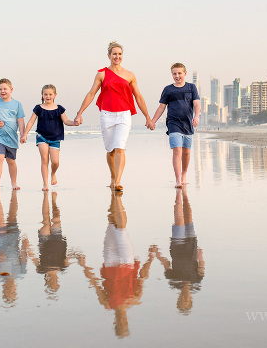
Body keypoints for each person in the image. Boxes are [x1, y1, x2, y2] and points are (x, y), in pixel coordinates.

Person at [69, 190, 155, 338]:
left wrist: (84, 265)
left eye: (120, 326)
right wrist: (151, 258)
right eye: (124, 325)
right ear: (127, 322)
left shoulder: (107, 304)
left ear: (115, 324)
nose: (122, 322)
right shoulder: (134, 299)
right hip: (127, 262)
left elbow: (95, 283)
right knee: (121, 229)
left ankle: (113, 192)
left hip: (109, 261)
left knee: (111, 223)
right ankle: (117, 197)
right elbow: (142, 277)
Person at [74, 41, 155, 191]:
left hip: (124, 115)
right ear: (109, 55)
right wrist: (79, 113)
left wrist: (148, 117)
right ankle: (112, 176)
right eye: (114, 54)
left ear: (122, 56)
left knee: (120, 147)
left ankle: (118, 181)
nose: (117, 57)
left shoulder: (130, 75)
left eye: (119, 54)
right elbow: (91, 94)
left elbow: (138, 97)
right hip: (107, 115)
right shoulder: (102, 74)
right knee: (110, 150)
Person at [150, 187, 205, 314]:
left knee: (179, 220)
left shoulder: (174, 282)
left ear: (178, 298)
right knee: (189, 217)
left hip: (177, 246)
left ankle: (178, 196)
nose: (184, 297)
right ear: (191, 299)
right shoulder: (196, 282)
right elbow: (201, 267)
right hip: (191, 246)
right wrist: (200, 256)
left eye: (181, 300)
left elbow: (167, 265)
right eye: (186, 300)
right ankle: (185, 195)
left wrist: (157, 253)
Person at [150, 63, 200, 187]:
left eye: (179, 73)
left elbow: (197, 104)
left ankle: (184, 174)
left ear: (185, 73)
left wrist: (196, 116)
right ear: (172, 74)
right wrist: (153, 121)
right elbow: (161, 107)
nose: (177, 76)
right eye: (174, 74)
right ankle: (178, 180)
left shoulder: (191, 87)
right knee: (177, 150)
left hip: (188, 123)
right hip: (173, 123)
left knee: (186, 152)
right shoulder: (168, 89)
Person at [20, 84, 77, 190]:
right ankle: (45, 183)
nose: (48, 96)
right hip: (41, 136)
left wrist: (74, 123)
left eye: (50, 94)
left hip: (55, 137)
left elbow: (66, 121)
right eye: (45, 94)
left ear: (55, 95)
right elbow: (31, 121)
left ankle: (53, 173)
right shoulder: (38, 108)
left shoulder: (59, 109)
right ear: (42, 95)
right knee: (44, 160)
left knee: (55, 162)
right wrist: (25, 134)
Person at [0, 78, 26, 191]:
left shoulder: (17, 104)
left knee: (11, 161)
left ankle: (14, 183)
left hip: (11, 137)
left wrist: (23, 134)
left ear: (11, 89)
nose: (2, 91)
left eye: (5, 89)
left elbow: (20, 120)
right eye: (0, 89)